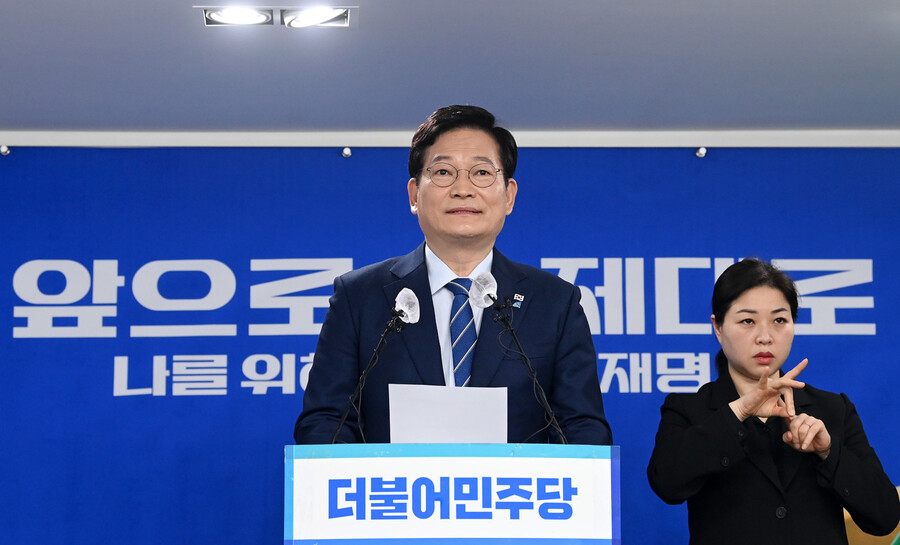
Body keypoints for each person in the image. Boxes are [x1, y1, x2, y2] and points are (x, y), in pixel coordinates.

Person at [294, 105, 612, 445]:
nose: (463, 189)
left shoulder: (554, 302)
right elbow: (325, 422)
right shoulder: (359, 297)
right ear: (415, 195)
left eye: (482, 172)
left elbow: (583, 429)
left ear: (509, 196)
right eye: (444, 172)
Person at [647, 258, 899, 545]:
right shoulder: (690, 409)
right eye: (747, 321)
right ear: (718, 327)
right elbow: (666, 484)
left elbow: (885, 517)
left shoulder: (832, 409)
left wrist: (829, 452)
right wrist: (739, 411)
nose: (765, 337)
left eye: (779, 320)